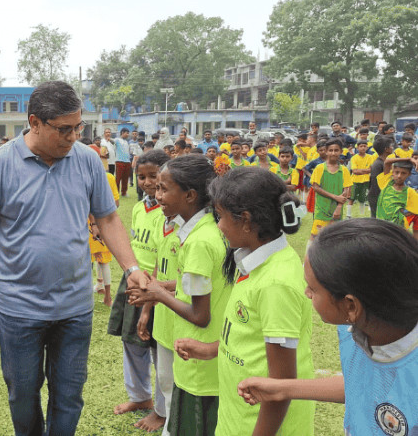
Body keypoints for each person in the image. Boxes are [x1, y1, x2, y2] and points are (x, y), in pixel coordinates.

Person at [0, 81, 147, 435]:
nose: (73, 136)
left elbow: (107, 218)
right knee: (23, 394)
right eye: (64, 129)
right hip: (20, 309)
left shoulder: (87, 160)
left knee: (70, 394)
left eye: (78, 127)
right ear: (35, 122)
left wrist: (131, 268)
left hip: (75, 307)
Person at [237, 219, 418, 435]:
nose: (306, 293)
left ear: (351, 306)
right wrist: (282, 389)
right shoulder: (354, 327)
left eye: (313, 289)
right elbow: (362, 383)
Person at [174, 169, 315, 434]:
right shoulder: (251, 260)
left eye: (220, 216)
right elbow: (252, 336)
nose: (218, 225)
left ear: (246, 221)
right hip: (238, 417)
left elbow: (281, 386)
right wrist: (213, 349)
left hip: (261, 426)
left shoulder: (276, 284)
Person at [126, 154, 232, 436]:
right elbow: (200, 284)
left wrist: (159, 293)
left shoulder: (200, 240)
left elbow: (200, 314)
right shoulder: (199, 230)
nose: (156, 194)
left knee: (189, 414)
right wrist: (162, 289)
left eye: (163, 188)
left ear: (190, 195)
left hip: (196, 346)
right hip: (185, 339)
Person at [110, 149, 177, 433]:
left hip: (157, 286)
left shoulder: (169, 213)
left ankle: (162, 410)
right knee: (131, 342)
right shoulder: (139, 208)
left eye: (154, 177)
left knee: (156, 347)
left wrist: (152, 288)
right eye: (142, 177)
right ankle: (140, 397)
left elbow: (165, 258)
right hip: (133, 282)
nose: (148, 183)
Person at [89, 165, 120, 307]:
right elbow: (116, 202)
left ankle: (97, 292)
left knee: (88, 260)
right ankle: (104, 292)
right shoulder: (109, 177)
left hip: (89, 224)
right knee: (103, 260)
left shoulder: (84, 175)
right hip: (104, 222)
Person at [310, 139, 352, 240]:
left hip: (336, 212)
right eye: (330, 150)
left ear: (341, 152)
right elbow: (315, 187)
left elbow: (347, 190)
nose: (333, 153)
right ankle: (310, 256)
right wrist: (335, 197)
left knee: (334, 238)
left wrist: (339, 207)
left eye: (336, 150)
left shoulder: (344, 170)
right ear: (326, 151)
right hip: (321, 209)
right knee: (315, 237)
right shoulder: (320, 168)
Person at [375, 157, 418, 237]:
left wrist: (401, 212)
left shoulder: (410, 192)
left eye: (403, 173)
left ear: (409, 174)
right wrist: (409, 159)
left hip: (398, 230)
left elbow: (415, 212)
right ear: (392, 172)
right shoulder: (386, 183)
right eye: (397, 172)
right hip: (381, 226)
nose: (399, 176)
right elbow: (387, 162)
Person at [348, 140, 375, 217]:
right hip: (355, 181)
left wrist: (360, 170)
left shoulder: (370, 157)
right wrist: (366, 170)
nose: (363, 148)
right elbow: (354, 171)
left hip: (366, 180)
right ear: (357, 147)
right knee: (351, 198)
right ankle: (348, 214)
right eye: (361, 146)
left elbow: (371, 169)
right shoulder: (354, 158)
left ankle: (362, 214)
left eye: (364, 146)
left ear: (367, 147)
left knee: (363, 198)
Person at [114, 128, 132, 197]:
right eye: (127, 133)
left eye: (128, 133)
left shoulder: (126, 142)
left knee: (125, 178)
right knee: (118, 178)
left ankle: (124, 192)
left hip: (127, 162)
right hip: (119, 161)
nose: (128, 135)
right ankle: (116, 192)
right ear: (122, 133)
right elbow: (112, 142)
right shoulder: (117, 140)